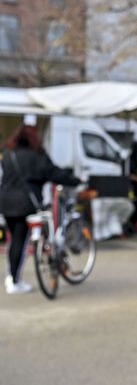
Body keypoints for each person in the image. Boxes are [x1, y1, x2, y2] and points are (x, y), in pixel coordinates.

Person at [1, 125, 81, 294]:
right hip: (26, 204)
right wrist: (75, 180)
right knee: (20, 241)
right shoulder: (37, 155)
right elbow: (53, 173)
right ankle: (14, 281)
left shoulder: (8, 153)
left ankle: (12, 276)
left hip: (5, 202)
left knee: (14, 239)